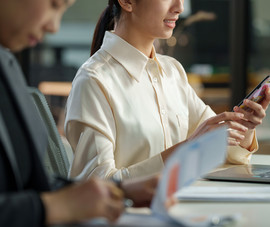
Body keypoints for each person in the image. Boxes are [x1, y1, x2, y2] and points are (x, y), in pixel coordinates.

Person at [65, 0, 270, 181]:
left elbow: (220, 149)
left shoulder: (172, 71)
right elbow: (95, 186)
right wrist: (187, 148)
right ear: (127, 1)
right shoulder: (94, 80)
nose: (179, 7)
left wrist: (244, 127)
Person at [0, 0, 158, 226]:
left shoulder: (7, 66)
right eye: (54, 5)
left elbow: (29, 184)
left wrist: (116, 191)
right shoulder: (95, 77)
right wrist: (52, 207)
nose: (54, 27)